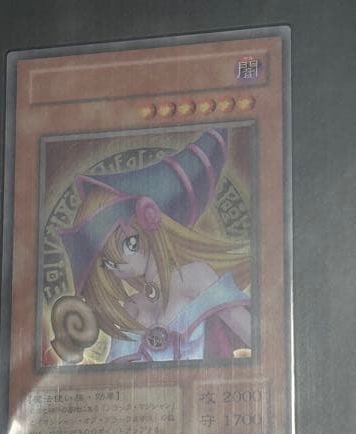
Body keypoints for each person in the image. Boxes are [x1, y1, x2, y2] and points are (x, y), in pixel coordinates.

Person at [52, 128, 251, 363]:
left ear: (148, 225)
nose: (117, 266)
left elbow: (257, 338)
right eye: (106, 262)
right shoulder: (132, 307)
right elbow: (115, 376)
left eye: (126, 245)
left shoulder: (195, 277)